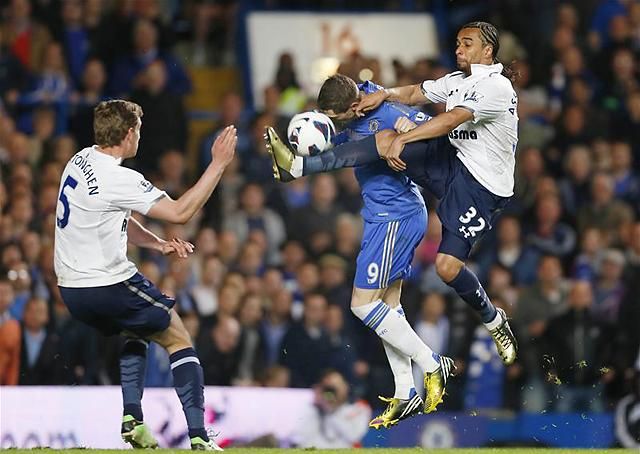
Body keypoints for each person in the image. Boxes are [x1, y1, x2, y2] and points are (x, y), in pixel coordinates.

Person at [265, 21, 518, 368]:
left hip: (480, 186)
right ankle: (298, 168)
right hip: (451, 159)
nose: (459, 49)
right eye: (457, 43)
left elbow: (450, 120)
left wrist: (406, 137)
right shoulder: (459, 80)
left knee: (446, 267)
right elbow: (417, 92)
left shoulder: (496, 86)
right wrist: (386, 93)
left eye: (468, 44)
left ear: (488, 51)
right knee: (385, 140)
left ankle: (493, 319)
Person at [54, 100, 237, 451]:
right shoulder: (120, 177)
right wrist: (217, 164)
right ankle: (200, 437)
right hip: (106, 283)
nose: (140, 135)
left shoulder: (79, 160)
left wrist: (155, 244)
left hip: (72, 291)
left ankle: (133, 421)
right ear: (128, 134)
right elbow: (181, 212)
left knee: (136, 330)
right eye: (138, 129)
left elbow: (112, 214)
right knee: (178, 337)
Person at [314, 74, 455, 428]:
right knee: (388, 308)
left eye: (335, 116)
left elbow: (435, 130)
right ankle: (406, 392)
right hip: (388, 214)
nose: (333, 123)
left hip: (395, 214)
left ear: (350, 107)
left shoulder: (387, 114)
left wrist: (405, 137)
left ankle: (432, 362)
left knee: (362, 305)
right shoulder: (367, 101)